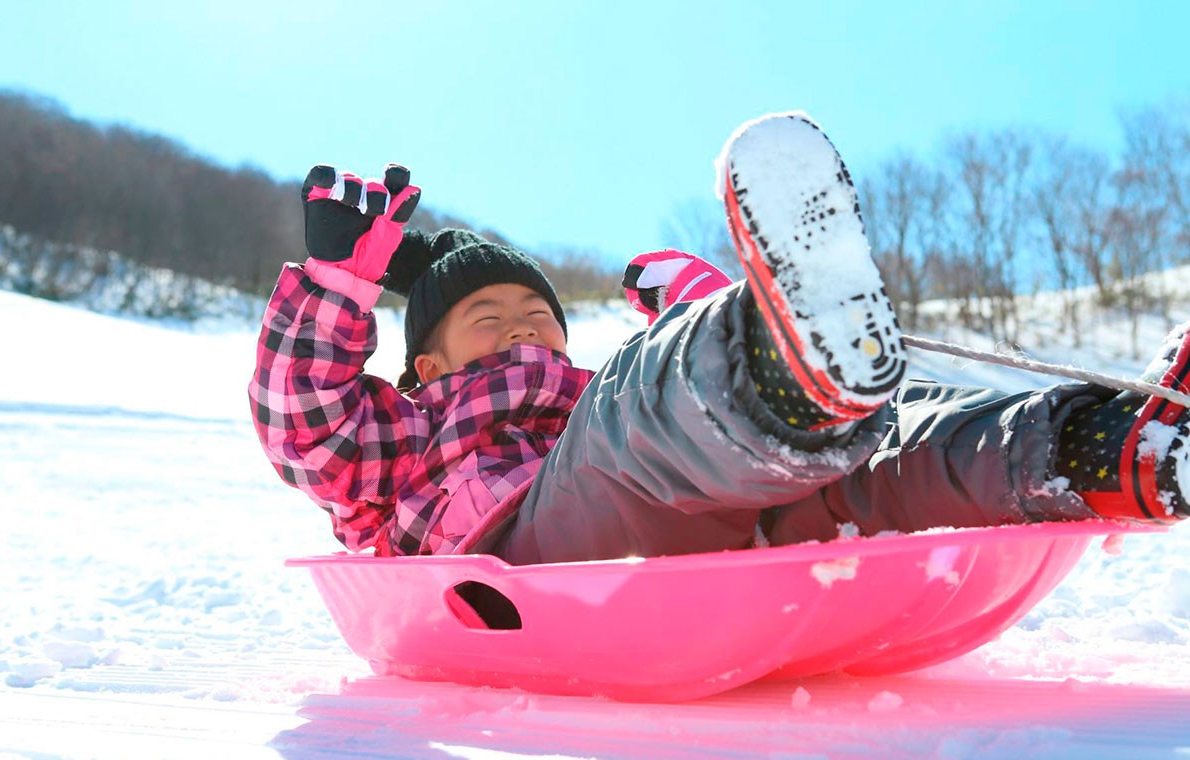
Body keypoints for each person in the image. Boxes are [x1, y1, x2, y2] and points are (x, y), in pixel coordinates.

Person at [249, 112, 1190, 566]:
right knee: (628, 418)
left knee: (883, 445)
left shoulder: (584, 394)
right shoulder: (404, 436)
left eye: (537, 317)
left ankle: (1106, 449)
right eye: (487, 322)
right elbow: (304, 425)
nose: (522, 332)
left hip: (719, 522)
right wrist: (338, 286)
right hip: (533, 547)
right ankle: (766, 366)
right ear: (428, 365)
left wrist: (690, 325)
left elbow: (646, 418)